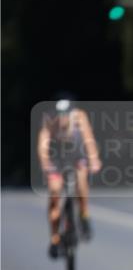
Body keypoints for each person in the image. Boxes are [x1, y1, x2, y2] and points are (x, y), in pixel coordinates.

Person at [37, 98, 101, 258]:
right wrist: (45, 163)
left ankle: (84, 214)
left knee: (81, 181)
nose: (63, 118)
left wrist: (94, 159)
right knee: (54, 193)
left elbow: (89, 139)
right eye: (60, 114)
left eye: (66, 114)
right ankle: (54, 238)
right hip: (57, 160)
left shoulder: (80, 117)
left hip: (76, 158)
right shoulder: (50, 121)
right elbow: (43, 144)